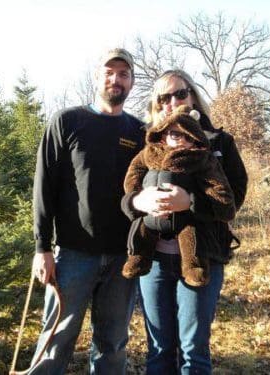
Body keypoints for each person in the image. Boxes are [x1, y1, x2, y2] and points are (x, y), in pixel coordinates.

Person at [121, 69, 248, 374]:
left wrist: (189, 203)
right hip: (154, 262)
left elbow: (233, 200)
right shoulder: (149, 144)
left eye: (180, 93)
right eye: (163, 97)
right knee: (160, 348)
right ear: (156, 104)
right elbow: (127, 194)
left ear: (192, 96)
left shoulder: (219, 142)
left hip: (202, 257)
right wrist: (138, 202)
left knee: (193, 349)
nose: (172, 102)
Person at [30, 48, 145, 375]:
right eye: (109, 72)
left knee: (112, 345)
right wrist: (41, 248)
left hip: (122, 259)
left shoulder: (139, 133)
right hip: (73, 255)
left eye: (123, 74)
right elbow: (44, 187)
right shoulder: (68, 122)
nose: (115, 79)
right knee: (56, 339)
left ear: (132, 82)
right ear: (97, 77)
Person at [121, 105, 236, 287]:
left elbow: (223, 199)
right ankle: (138, 259)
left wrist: (190, 202)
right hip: (152, 224)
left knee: (190, 234)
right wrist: (137, 197)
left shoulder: (202, 159)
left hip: (188, 223)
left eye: (188, 136)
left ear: (197, 139)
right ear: (164, 135)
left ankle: (194, 267)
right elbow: (133, 173)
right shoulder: (148, 154)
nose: (182, 140)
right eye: (176, 134)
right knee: (143, 229)